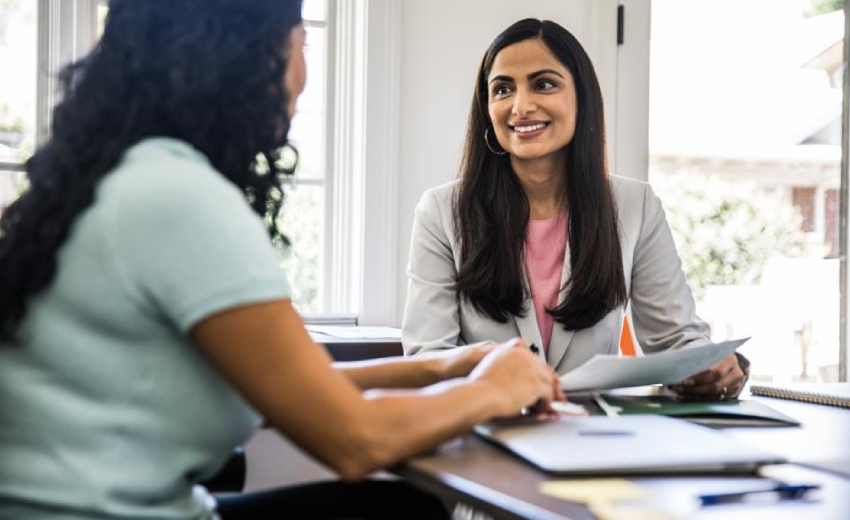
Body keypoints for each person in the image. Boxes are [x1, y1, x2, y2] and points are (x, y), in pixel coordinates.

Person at [0, 2, 563, 519]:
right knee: (403, 510)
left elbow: (285, 385)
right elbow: (356, 440)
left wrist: (441, 368)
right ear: (257, 56)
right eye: (302, 46)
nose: (303, 76)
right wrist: (494, 389)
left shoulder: (122, 178)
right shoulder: (179, 199)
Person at [402, 18, 749, 402]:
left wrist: (707, 366)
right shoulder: (441, 212)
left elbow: (675, 338)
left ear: (582, 97)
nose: (521, 106)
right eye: (503, 89)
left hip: (597, 437)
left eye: (544, 83)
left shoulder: (636, 205)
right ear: (487, 108)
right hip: (486, 431)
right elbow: (426, 358)